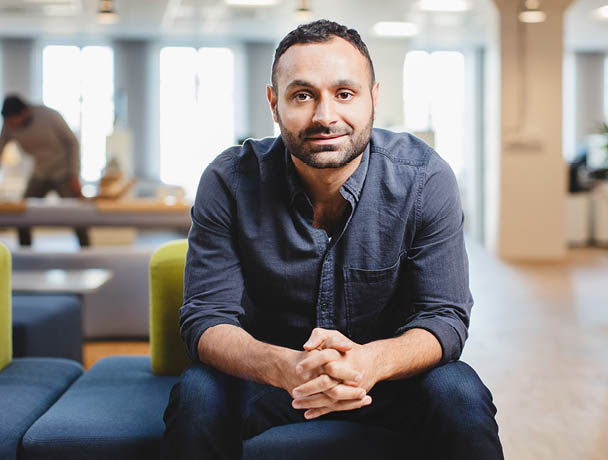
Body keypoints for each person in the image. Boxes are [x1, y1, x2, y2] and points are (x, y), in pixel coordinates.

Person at [161, 20, 504, 460]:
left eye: (345, 94)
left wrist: (371, 363)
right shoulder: (229, 180)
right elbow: (205, 320)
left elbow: (445, 317)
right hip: (268, 377)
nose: (325, 116)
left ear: (373, 99)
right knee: (197, 395)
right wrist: (288, 367)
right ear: (274, 103)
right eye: (302, 95)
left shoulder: (425, 178)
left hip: (389, 379)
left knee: (459, 391)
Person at [0, 95, 89, 247]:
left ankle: (86, 249)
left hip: (63, 173)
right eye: (8, 121)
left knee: (75, 214)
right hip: (40, 173)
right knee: (22, 213)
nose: (11, 124)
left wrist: (74, 174)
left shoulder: (49, 116)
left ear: (25, 112)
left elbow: (72, 142)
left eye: (14, 119)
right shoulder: (8, 125)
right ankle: (25, 248)